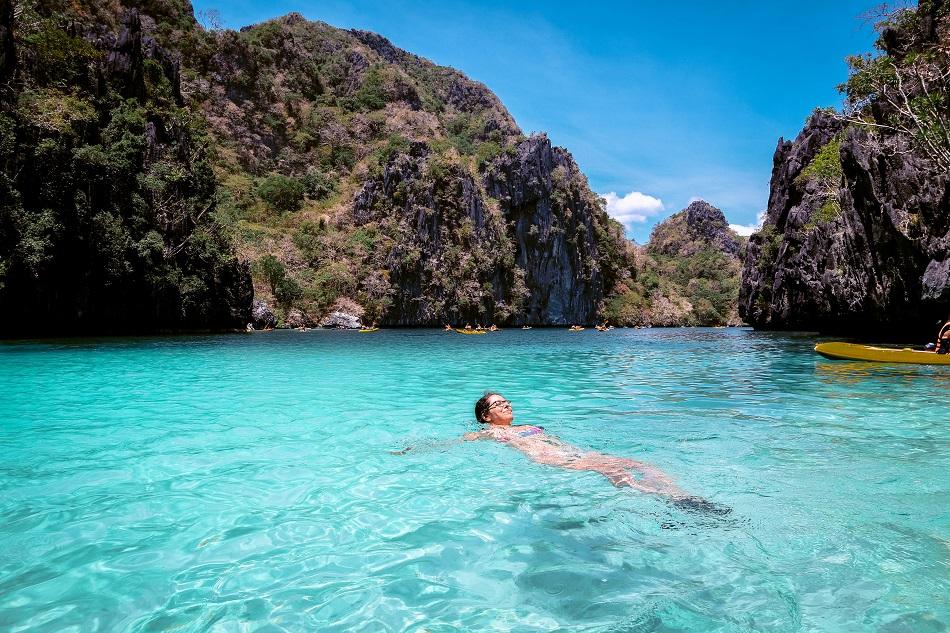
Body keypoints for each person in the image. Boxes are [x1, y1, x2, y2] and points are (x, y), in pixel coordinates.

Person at [465, 392, 729, 514]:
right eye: (498, 404)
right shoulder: (492, 432)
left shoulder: (529, 426)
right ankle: (663, 501)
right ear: (486, 416)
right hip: (552, 459)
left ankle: (679, 495)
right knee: (614, 470)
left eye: (507, 400)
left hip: (573, 452)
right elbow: (465, 440)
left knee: (640, 463)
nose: (507, 404)